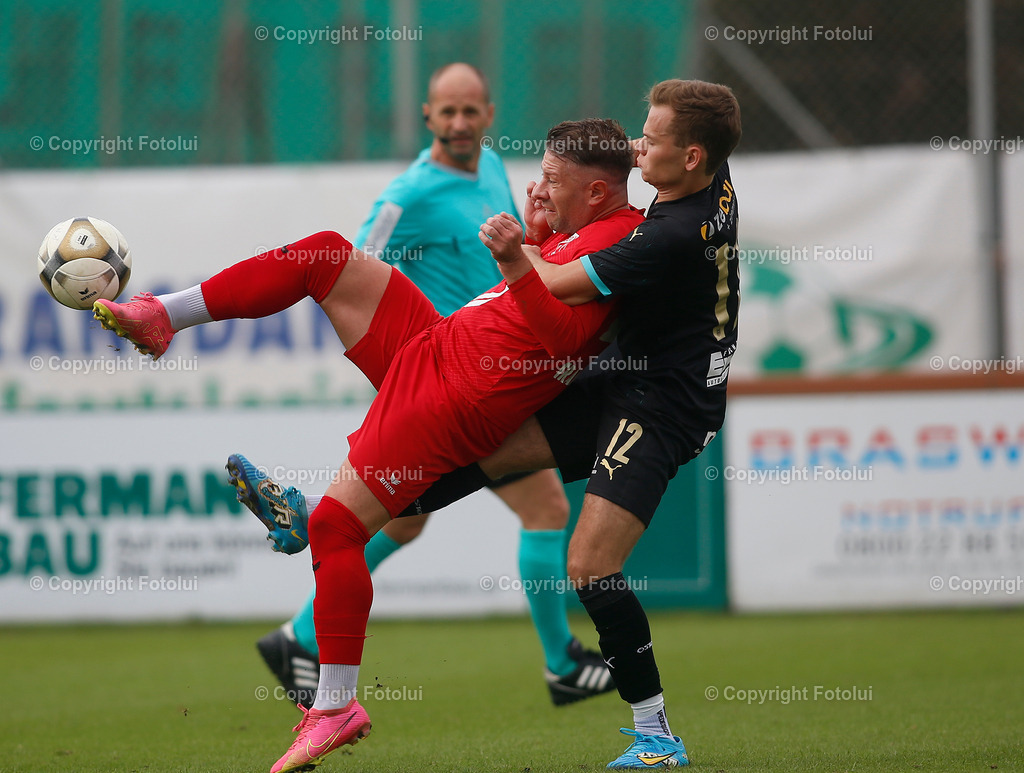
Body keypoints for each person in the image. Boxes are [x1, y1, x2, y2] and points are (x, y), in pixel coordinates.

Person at [93, 118, 644, 773]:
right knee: (327, 255)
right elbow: (540, 302)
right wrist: (540, 234)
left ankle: (335, 705)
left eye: (555, 180)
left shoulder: (621, 242)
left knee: (335, 528)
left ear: (600, 190)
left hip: (457, 393)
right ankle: (164, 316)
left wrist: (516, 255)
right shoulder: (592, 227)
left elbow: (559, 340)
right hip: (441, 347)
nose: (540, 186)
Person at [235, 79, 742, 770]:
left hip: (664, 402)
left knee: (590, 563)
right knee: (476, 451)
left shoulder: (666, 236)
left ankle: (657, 737)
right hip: (617, 374)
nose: (636, 144)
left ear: (689, 157)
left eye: (648, 139)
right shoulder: (710, 167)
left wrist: (525, 240)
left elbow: (553, 289)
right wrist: (586, 179)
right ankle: (330, 519)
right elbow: (648, 157)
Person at [251, 61, 613, 712]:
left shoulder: (496, 169)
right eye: (447, 112)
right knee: (542, 510)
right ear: (427, 116)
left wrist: (532, 235)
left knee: (407, 517)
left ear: (489, 115)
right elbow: (357, 264)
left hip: (486, 377)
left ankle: (298, 634)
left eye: (470, 111)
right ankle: (561, 663)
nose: (459, 123)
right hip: (437, 374)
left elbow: (510, 266)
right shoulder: (409, 194)